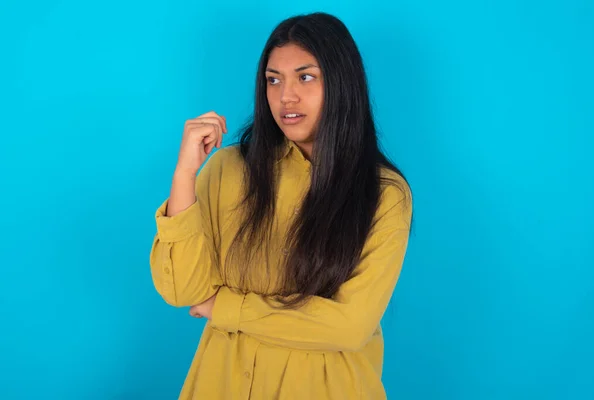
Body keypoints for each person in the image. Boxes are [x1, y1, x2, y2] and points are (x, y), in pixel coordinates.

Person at [149, 11, 413, 400]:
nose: (286, 96)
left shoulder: (384, 194)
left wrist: (226, 307)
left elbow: (348, 326)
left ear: (341, 83)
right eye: (274, 80)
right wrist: (184, 174)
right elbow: (181, 289)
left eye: (305, 77)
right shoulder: (228, 168)